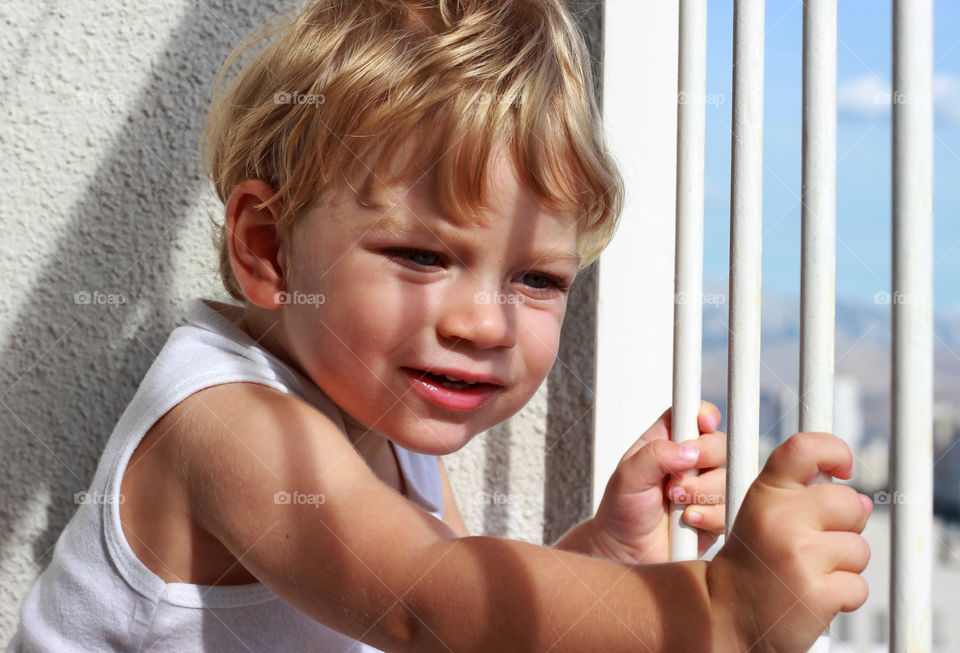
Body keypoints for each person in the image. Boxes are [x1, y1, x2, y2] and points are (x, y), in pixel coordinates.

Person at [8, 1, 872, 651]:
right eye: (422, 256)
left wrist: (608, 554)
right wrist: (720, 610)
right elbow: (427, 603)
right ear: (268, 248)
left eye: (536, 278)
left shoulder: (391, 423)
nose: (482, 323)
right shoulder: (228, 421)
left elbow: (460, 616)